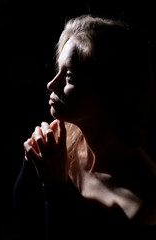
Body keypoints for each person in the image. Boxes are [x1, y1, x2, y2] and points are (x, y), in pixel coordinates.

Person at [13, 14, 156, 239]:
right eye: (58, 70)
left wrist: (54, 188)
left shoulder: (144, 203)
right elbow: (21, 218)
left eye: (69, 77)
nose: (51, 84)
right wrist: (29, 164)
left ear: (112, 92)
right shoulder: (57, 143)